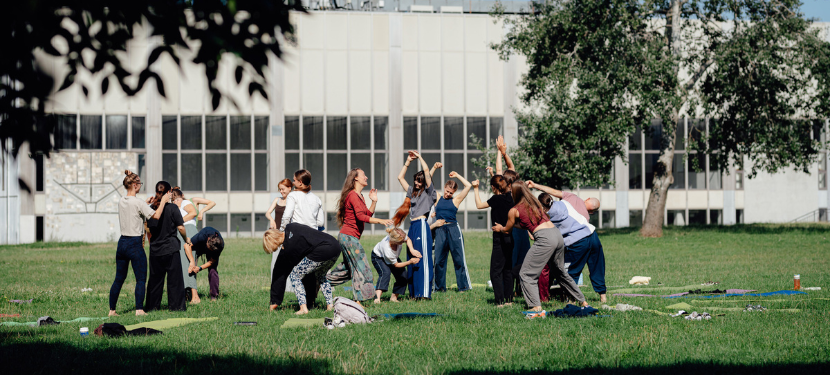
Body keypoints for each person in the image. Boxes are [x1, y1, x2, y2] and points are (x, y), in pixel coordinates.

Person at [492, 181, 588, 312]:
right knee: (560, 272)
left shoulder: (514, 210)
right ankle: (583, 301)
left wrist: (500, 228)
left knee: (526, 274)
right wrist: (514, 224)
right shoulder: (535, 203)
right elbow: (527, 223)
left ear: (514, 193)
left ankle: (535, 307)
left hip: (545, 239)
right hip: (557, 235)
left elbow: (507, 230)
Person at [530, 180, 607, 302]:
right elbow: (555, 193)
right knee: (597, 266)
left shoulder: (550, 216)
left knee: (570, 271)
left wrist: (534, 186)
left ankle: (570, 299)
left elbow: (537, 234)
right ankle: (603, 296)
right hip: (593, 235)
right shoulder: (565, 203)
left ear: (543, 208)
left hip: (578, 242)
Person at [326, 168, 394, 304]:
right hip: (348, 237)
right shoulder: (352, 195)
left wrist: (374, 201)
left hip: (350, 237)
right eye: (364, 175)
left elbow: (366, 215)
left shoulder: (360, 196)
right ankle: (358, 301)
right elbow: (360, 216)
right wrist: (381, 220)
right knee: (362, 268)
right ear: (355, 178)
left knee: (348, 270)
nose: (366, 177)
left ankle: (320, 282)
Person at [109, 170, 167, 317]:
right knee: (140, 279)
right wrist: (164, 201)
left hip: (122, 243)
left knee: (119, 278)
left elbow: (135, 208)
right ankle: (139, 310)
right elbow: (157, 216)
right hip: (135, 244)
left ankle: (112, 310)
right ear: (135, 185)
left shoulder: (122, 201)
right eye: (140, 184)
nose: (141, 186)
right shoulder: (139, 203)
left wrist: (146, 203)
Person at [264, 224, 340, 313]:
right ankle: (330, 305)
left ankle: (303, 308)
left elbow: (294, 262)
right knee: (321, 276)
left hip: (322, 250)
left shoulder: (289, 248)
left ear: (273, 241)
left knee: (295, 275)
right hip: (335, 246)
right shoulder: (290, 226)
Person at [394, 151, 436, 299]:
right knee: (412, 256)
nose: (417, 183)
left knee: (423, 257)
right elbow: (400, 177)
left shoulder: (430, 193)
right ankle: (413, 293)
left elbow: (426, 172)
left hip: (422, 225)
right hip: (412, 227)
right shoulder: (412, 191)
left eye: (420, 181)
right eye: (416, 180)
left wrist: (420, 157)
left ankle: (424, 293)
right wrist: (407, 162)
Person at [145, 181, 191, 312]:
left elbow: (149, 228)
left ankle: (152, 307)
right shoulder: (173, 208)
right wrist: (185, 238)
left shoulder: (151, 209)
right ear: (169, 191)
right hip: (171, 249)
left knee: (155, 281)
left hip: (155, 250)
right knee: (174, 281)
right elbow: (181, 227)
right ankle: (176, 307)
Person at [495, 135, 531, 297]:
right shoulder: (515, 190)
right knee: (519, 261)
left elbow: (505, 170)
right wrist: (502, 153)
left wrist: (500, 153)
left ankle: (515, 289)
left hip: (516, 230)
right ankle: (516, 289)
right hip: (519, 229)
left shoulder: (510, 190)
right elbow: (508, 169)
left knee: (516, 261)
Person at [472, 175, 515, 307]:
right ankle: (509, 300)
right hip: (510, 237)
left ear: (493, 187)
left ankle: (499, 302)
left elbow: (479, 205)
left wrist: (476, 188)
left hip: (500, 239)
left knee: (495, 272)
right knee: (507, 269)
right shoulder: (510, 197)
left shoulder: (495, 199)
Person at [171, 188, 215, 304]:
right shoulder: (177, 205)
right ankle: (187, 294)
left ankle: (195, 296)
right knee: (183, 264)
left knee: (189, 263)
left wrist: (201, 212)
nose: (176, 202)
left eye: (177, 199)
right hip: (181, 232)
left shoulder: (187, 202)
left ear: (181, 196)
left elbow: (193, 212)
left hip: (189, 231)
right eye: (174, 200)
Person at [432, 171, 473, 292]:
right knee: (439, 260)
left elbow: (468, 186)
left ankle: (463, 287)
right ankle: (439, 288)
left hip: (453, 229)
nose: (448, 194)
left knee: (459, 259)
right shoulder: (438, 197)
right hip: (439, 230)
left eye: (451, 192)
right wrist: (434, 168)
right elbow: (428, 183)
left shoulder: (456, 200)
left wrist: (457, 175)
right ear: (444, 187)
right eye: (447, 191)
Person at [371, 227, 421, 304]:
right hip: (378, 257)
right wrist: (410, 262)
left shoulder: (400, 235)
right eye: (401, 242)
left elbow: (408, 239)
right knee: (385, 273)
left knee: (403, 275)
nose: (402, 242)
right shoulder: (387, 248)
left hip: (393, 258)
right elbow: (396, 265)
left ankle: (394, 298)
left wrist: (412, 249)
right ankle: (377, 298)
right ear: (394, 241)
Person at [183, 226, 225, 301]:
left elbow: (212, 261)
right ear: (208, 239)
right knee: (190, 265)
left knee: (213, 270)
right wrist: (192, 261)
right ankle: (188, 292)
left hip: (212, 249)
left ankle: (214, 296)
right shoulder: (202, 236)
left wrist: (200, 268)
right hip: (200, 246)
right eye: (208, 247)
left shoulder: (219, 246)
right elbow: (187, 245)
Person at [265, 178, 294, 278]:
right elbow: (268, 213)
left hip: (288, 235)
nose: (281, 191)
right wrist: (271, 220)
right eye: (280, 189)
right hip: (277, 235)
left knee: (288, 260)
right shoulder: (277, 200)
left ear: (289, 188)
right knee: (275, 259)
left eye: (283, 189)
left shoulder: (293, 201)